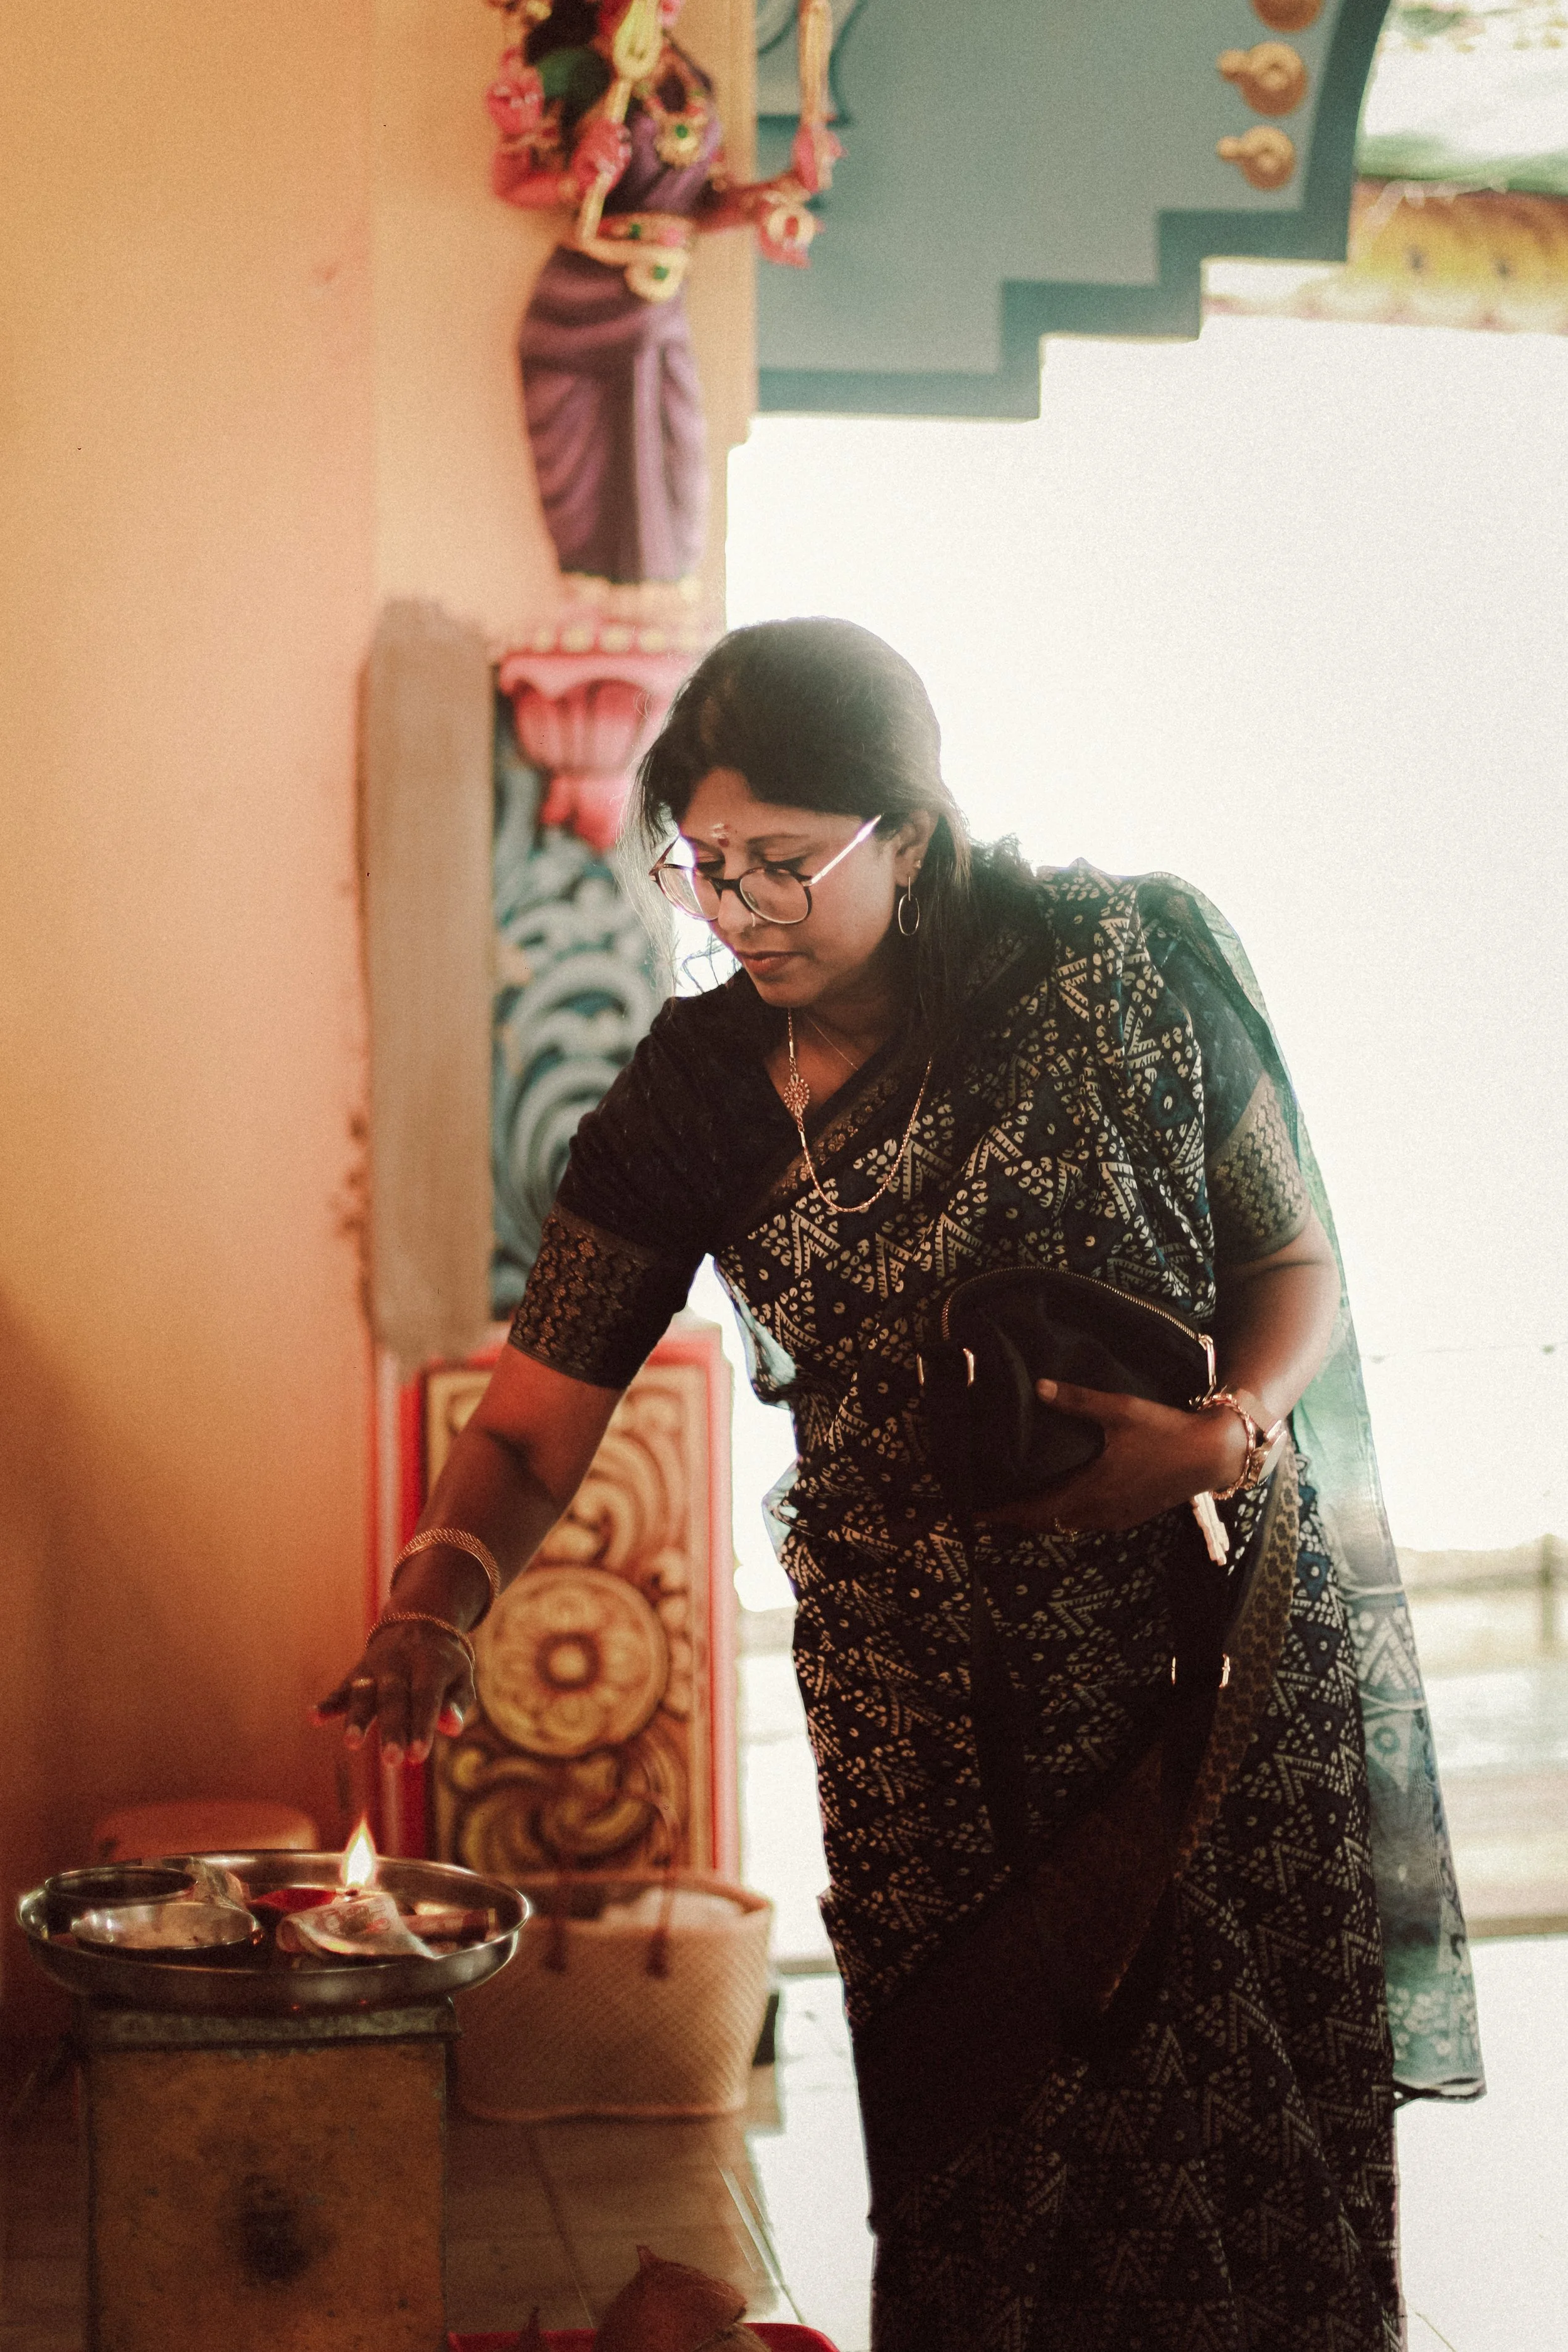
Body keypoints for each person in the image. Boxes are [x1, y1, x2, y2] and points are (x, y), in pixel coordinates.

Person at [320, 620, 1480, 2350]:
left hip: (1210, 1653)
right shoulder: (689, 1104)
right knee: (982, 2164)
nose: (737, 907)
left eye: (784, 861)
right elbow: (531, 1426)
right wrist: (440, 1591)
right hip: (922, 1715)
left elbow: (1291, 1255)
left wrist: (1224, 1429)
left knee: (1240, 2155)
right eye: (702, 866)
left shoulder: (1126, 961)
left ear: (911, 832)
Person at [488, 0, 827, 588]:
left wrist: (772, 196)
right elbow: (513, 181)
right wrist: (574, 177)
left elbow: (703, 203)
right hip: (585, 297)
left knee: (677, 465)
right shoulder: (579, 69)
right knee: (591, 498)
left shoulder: (691, 81)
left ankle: (652, 605)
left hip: (659, 300)